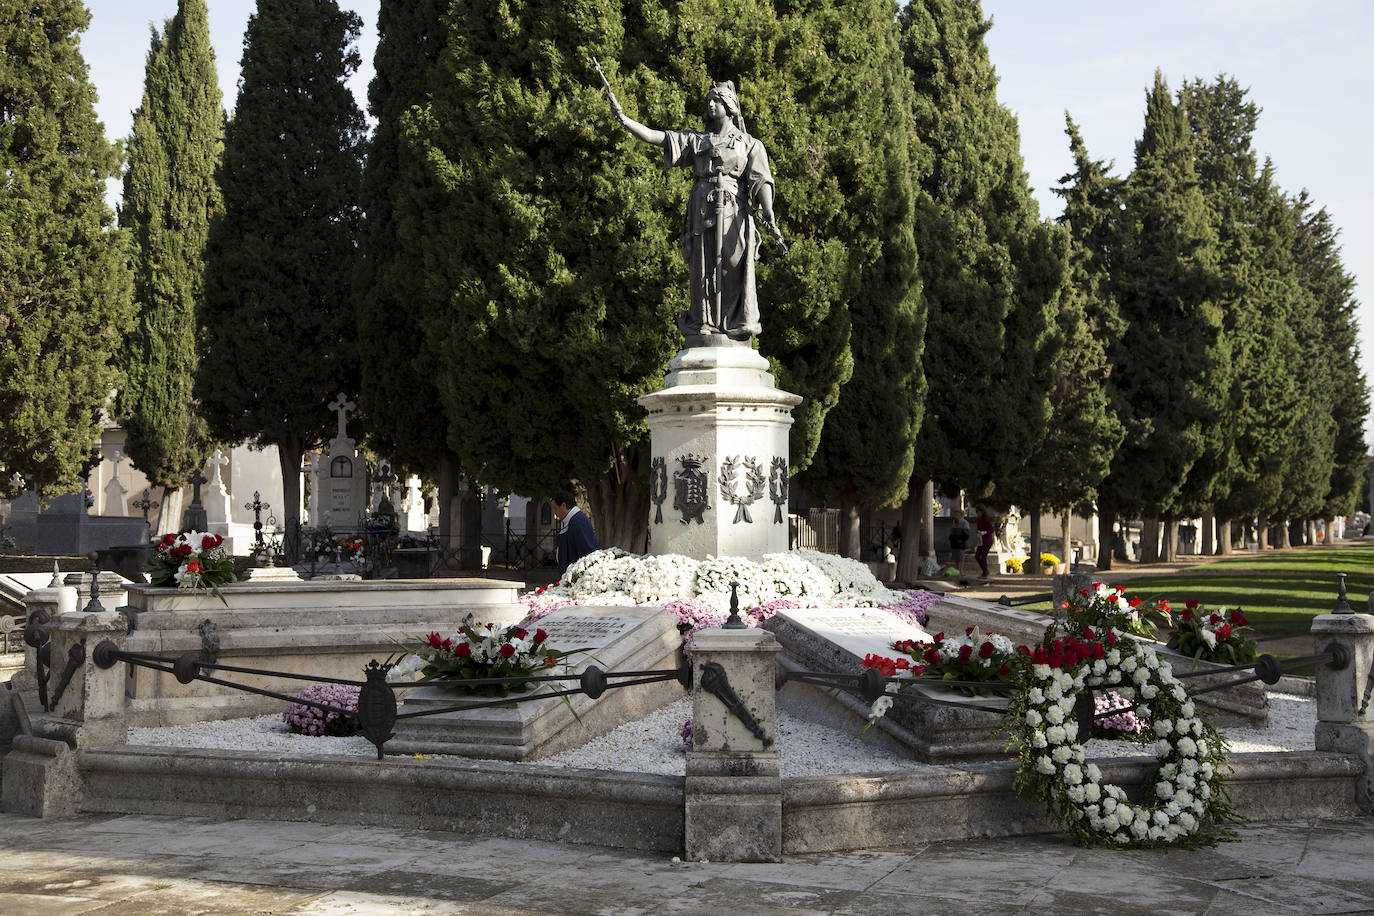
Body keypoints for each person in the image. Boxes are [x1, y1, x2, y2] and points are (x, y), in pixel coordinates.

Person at [605, 77, 786, 341]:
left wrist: (768, 211)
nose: (711, 105)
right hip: (702, 209)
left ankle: (736, 324)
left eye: (716, 100)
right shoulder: (697, 140)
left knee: (734, 265)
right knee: (702, 269)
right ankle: (704, 323)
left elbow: (761, 180)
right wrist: (625, 121)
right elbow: (661, 138)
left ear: (729, 105)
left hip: (735, 210)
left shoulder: (749, 143)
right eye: (709, 101)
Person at [552, 490, 601, 579]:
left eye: (555, 508)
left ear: (563, 505)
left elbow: (587, 552)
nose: (554, 513)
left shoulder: (578, 522)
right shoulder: (573, 520)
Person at [974, 504, 995, 582]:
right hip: (981, 540)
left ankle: (985, 572)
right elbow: (978, 528)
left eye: (979, 512)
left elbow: (991, 529)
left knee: (983, 556)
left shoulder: (986, 519)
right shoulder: (978, 519)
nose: (978, 513)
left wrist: (984, 532)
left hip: (987, 540)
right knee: (977, 556)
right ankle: (984, 571)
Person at [948, 508, 971, 575]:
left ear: (961, 515)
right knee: (956, 557)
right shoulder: (954, 522)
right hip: (954, 542)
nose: (956, 516)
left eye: (957, 514)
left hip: (961, 542)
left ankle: (961, 570)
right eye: (955, 514)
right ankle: (957, 570)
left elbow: (966, 534)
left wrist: (960, 538)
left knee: (961, 557)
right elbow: (951, 532)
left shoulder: (964, 523)